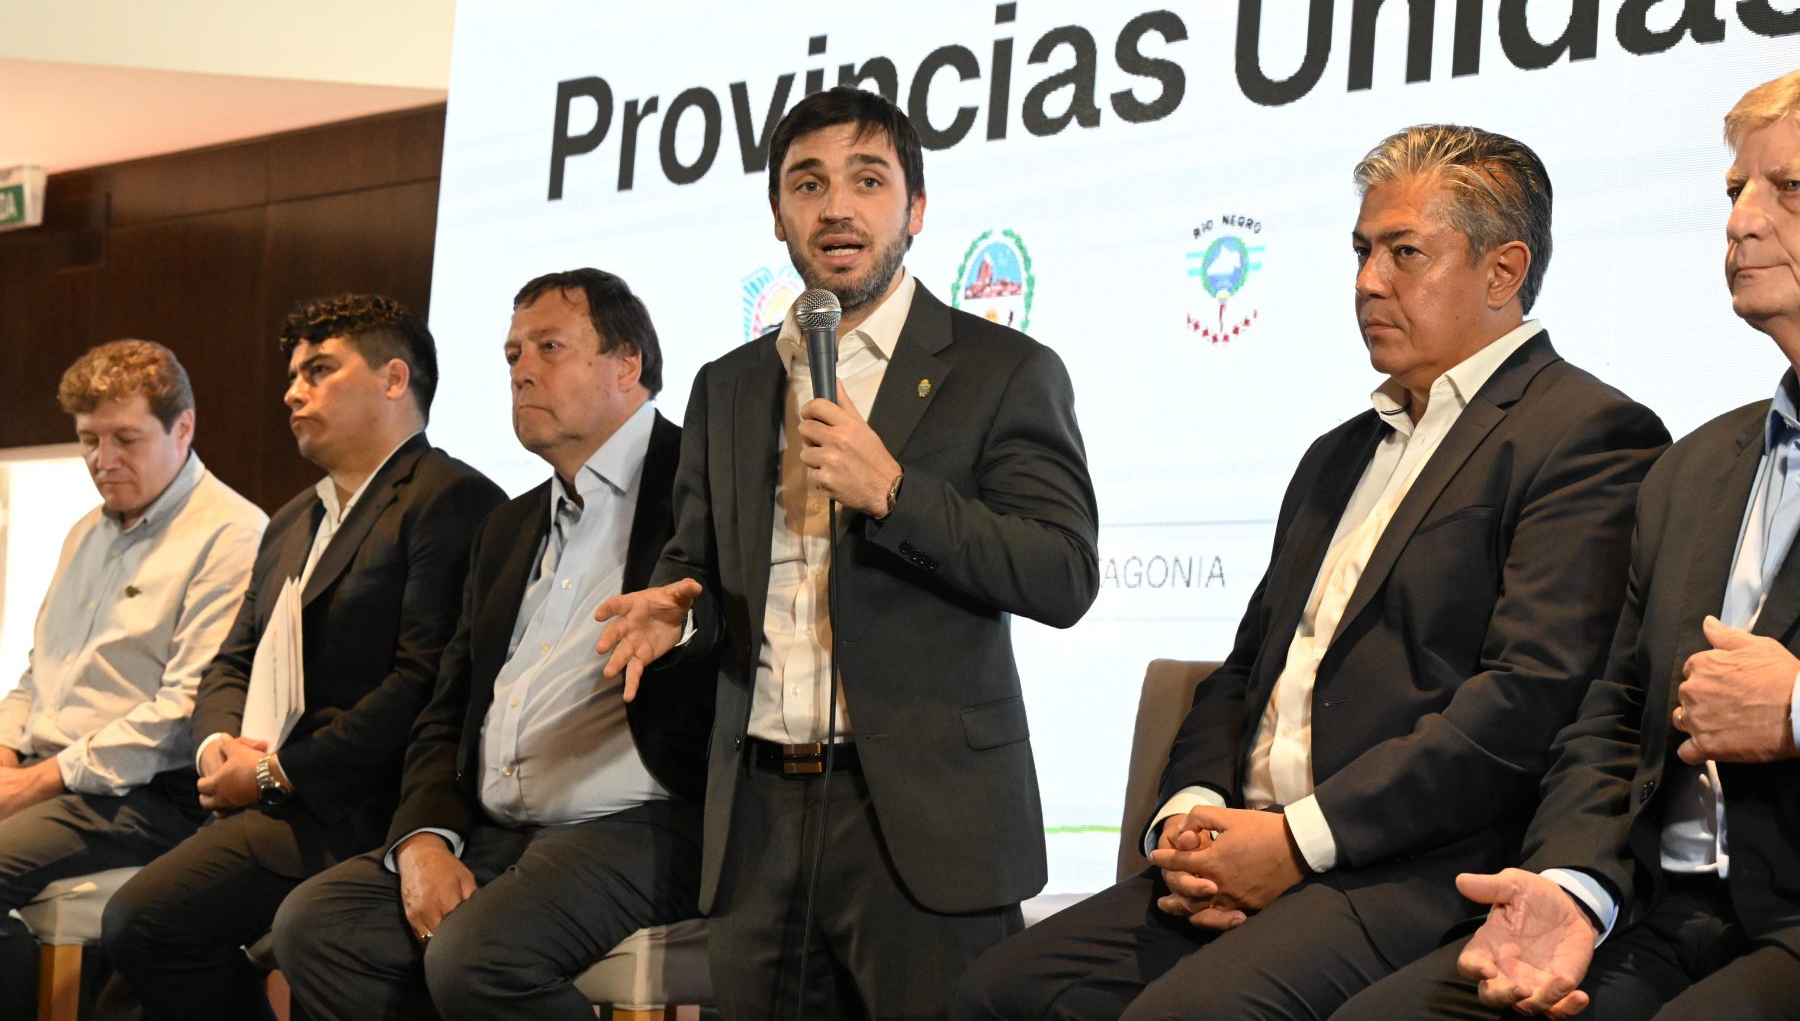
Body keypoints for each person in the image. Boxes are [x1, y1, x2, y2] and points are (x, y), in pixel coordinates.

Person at [950, 124, 1671, 1021]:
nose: (1368, 281)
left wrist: (1297, 843)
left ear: (1503, 272)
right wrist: (1192, 816)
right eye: (1362, 251)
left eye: (1405, 253)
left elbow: (1527, 701)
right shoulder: (1337, 454)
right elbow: (1246, 672)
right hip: (1253, 842)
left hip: (1410, 867)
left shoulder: (1587, 434)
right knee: (997, 994)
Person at [595, 86, 1100, 1020]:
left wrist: (897, 495)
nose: (836, 207)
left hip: (922, 820)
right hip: (757, 819)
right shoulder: (728, 386)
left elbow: (1062, 573)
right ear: (777, 214)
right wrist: (678, 612)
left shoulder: (1003, 371)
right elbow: (696, 561)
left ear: (915, 209)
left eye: (868, 181)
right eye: (808, 184)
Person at [1334, 72, 1800, 1021]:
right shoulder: (1697, 466)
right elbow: (1616, 714)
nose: (1740, 222)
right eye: (1734, 190)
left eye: (1788, 189)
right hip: (1657, 914)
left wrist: (1796, 709)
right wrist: (1574, 887)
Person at [271, 269, 715, 1021]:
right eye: (512, 355)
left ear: (627, 364)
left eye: (549, 347)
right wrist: (424, 838)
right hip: (499, 826)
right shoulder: (506, 527)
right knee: (318, 928)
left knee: (477, 956)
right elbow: (446, 710)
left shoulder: (703, 483)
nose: (521, 372)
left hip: (646, 819)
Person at [102, 293, 505, 1021]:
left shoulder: (451, 498)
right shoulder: (292, 519)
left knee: (143, 922)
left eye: (319, 370)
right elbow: (231, 662)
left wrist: (275, 773)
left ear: (394, 379)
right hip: (269, 798)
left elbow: (425, 684)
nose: (292, 392)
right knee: (128, 981)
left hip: (360, 807)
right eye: (292, 375)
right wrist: (219, 748)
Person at [0, 340, 264, 1017]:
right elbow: (37, 671)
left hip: (145, 795)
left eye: (125, 439)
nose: (102, 460)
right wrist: (5, 752)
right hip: (51, 772)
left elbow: (184, 711)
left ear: (183, 428)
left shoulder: (231, 535)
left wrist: (35, 781)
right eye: (89, 440)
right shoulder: (84, 532)